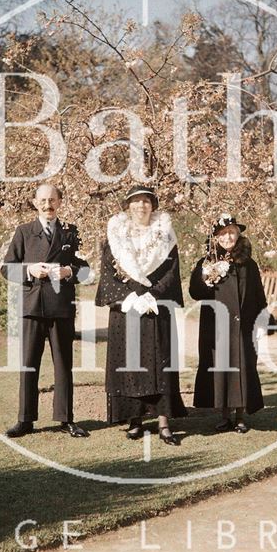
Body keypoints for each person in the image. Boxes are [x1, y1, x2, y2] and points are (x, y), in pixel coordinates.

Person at [95, 185, 186, 446]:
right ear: (128, 206)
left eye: (146, 201)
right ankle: (134, 421)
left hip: (156, 310)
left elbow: (171, 271)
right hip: (128, 310)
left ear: (153, 206)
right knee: (130, 363)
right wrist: (133, 295)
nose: (141, 206)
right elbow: (109, 272)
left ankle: (164, 423)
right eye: (135, 202)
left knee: (160, 364)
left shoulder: (166, 236)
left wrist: (152, 295)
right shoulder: (116, 236)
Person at [3, 184, 90, 439]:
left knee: (64, 364)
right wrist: (29, 271)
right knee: (29, 365)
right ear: (34, 202)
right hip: (32, 306)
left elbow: (86, 271)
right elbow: (6, 267)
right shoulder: (24, 232)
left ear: (60, 202)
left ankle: (66, 419)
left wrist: (69, 272)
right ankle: (25, 420)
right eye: (42, 200)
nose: (47, 204)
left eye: (52, 199)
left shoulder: (71, 234)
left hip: (61, 307)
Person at [189, 214, 267, 433]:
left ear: (238, 234)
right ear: (215, 237)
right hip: (216, 327)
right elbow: (195, 292)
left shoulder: (248, 264)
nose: (227, 237)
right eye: (222, 233)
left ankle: (240, 416)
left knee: (242, 367)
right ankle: (224, 415)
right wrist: (205, 278)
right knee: (220, 367)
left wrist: (261, 321)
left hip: (243, 326)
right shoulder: (206, 262)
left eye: (231, 232)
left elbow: (258, 294)